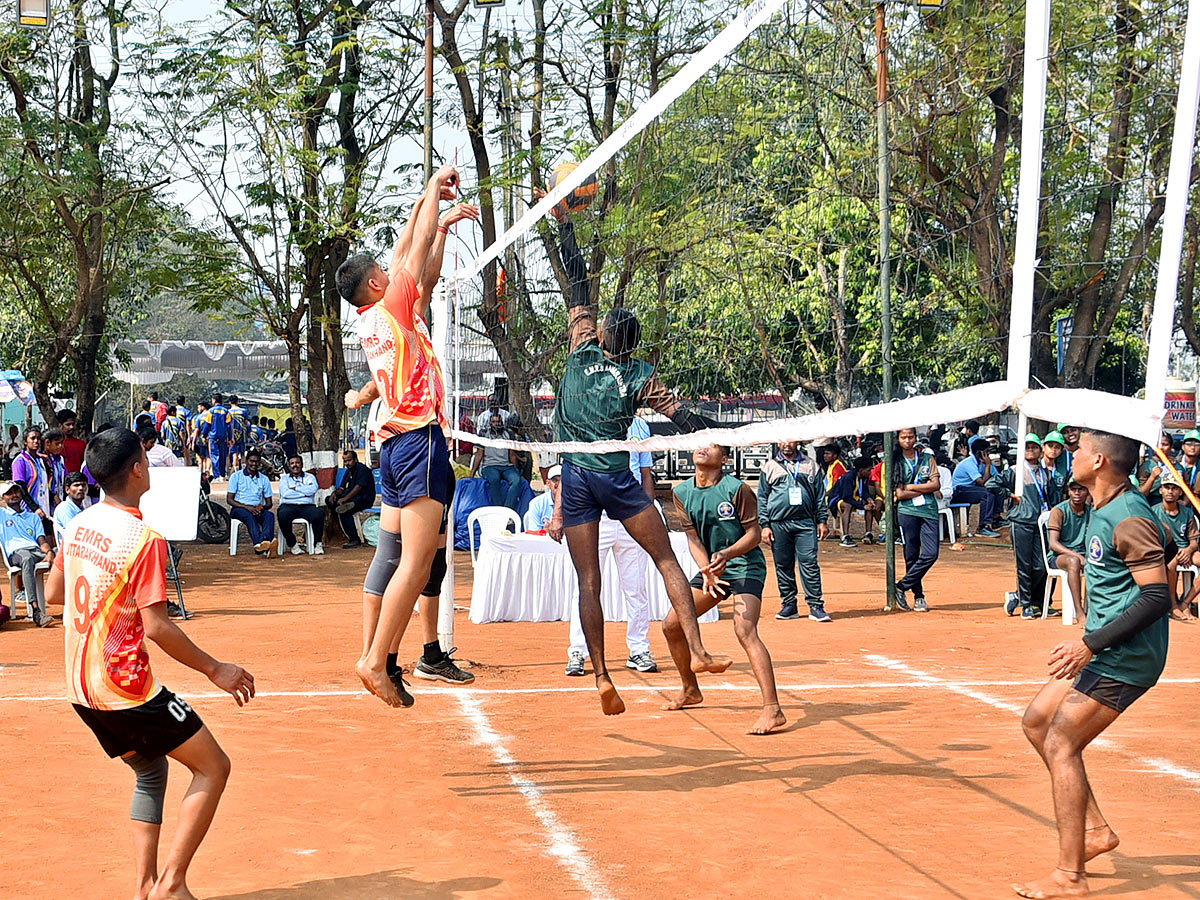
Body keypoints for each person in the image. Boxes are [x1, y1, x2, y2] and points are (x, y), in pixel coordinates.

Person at [540, 190, 729, 716]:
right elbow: (686, 418)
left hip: (578, 477)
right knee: (666, 558)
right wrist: (725, 434)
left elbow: (576, 281)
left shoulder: (581, 348)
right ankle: (698, 651)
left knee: (588, 580)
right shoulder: (640, 374)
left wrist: (564, 224)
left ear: (603, 334)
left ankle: (601, 674)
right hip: (620, 480)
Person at [46, 426, 255, 900]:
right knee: (214, 767)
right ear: (138, 469)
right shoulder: (143, 538)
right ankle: (171, 885)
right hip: (125, 689)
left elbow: (56, 593)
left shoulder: (77, 524)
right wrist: (215, 669)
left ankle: (144, 887)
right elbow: (157, 626)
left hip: (82, 688)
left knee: (150, 770)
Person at [1014, 428, 1171, 900]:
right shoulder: (1104, 508)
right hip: (1104, 646)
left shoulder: (1127, 516)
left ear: (1099, 461)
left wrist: (1090, 643)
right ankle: (1098, 831)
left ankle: (1071, 876)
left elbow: (1158, 595)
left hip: (1128, 656)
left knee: (1062, 741)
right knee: (1038, 722)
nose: (1072, 456)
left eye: (1080, 450)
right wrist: (1090, 639)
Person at [339, 163, 470, 707]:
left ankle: (386, 659)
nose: (394, 272)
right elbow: (407, 253)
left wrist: (436, 219)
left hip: (395, 442)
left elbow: (417, 263)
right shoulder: (391, 303)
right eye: (385, 272)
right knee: (418, 563)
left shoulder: (377, 316)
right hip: (417, 440)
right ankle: (376, 659)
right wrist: (430, 191)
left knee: (398, 556)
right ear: (376, 284)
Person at [665, 443, 784, 735]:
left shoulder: (737, 489)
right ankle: (690, 689)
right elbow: (693, 539)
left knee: (744, 630)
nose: (703, 448)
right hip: (714, 569)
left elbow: (754, 535)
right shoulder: (681, 492)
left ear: (725, 458)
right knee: (671, 625)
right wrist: (707, 570)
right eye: (701, 443)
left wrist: (726, 555)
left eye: (713, 445)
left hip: (745, 565)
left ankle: (773, 709)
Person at [565, 416, 661, 677]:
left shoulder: (641, 425)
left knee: (636, 588)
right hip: (595, 518)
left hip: (630, 515)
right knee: (586, 587)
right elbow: (571, 471)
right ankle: (578, 651)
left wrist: (648, 509)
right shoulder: (587, 418)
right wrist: (559, 514)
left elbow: (645, 473)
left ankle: (639, 649)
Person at [757, 440, 829, 621]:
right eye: (782, 440)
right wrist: (764, 525)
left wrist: (822, 521)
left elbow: (820, 495)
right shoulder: (769, 467)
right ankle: (789, 605)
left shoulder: (811, 465)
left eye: (790, 439)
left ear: (798, 441)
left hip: (805, 523)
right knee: (783, 564)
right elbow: (762, 497)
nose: (786, 444)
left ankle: (816, 606)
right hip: (778, 524)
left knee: (809, 563)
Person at [997, 434, 1064, 619]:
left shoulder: (1045, 473)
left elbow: (1051, 497)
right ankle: (1026, 605)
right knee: (1024, 565)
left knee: (1042, 566)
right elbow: (992, 484)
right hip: (1021, 521)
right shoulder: (1015, 471)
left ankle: (1024, 597)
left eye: (1034, 447)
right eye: (1027, 447)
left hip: (1041, 522)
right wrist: (1010, 495)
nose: (1031, 450)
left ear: (1040, 449)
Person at [892, 427, 942, 613]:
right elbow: (900, 493)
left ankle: (901, 586)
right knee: (911, 554)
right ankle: (919, 596)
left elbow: (936, 484)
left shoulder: (927, 459)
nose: (907, 440)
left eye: (910, 437)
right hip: (907, 512)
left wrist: (912, 486)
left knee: (931, 553)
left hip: (928, 511)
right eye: (903, 437)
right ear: (898, 439)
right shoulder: (895, 461)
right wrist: (925, 487)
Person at [0, 480, 54, 626]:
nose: (14, 495)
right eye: (9, 493)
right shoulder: (2, 515)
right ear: (2, 498)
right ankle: (36, 610)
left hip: (36, 551)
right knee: (27, 558)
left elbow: (41, 541)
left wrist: (49, 552)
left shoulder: (33, 517)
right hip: (16, 554)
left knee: (62, 555)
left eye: (16, 491)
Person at [1150, 471, 1197, 621]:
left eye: (1174, 488)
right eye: (1167, 487)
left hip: (1186, 550)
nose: (1170, 491)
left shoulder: (1187, 513)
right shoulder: (1153, 512)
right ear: (1161, 490)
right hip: (1165, 551)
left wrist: (1188, 550)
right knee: (1171, 563)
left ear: (1180, 491)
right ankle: (1173, 604)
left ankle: (1186, 602)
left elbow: (1194, 540)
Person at [1046, 479, 1092, 624]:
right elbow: (1053, 543)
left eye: (1081, 489)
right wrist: (1077, 555)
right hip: (1059, 557)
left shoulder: (1092, 512)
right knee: (1074, 562)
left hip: (1084, 555)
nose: (1077, 493)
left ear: (1088, 491)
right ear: (1069, 491)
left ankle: (1092, 611)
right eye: (1073, 489)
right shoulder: (1059, 511)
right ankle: (1078, 611)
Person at [470, 412, 522, 510]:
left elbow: (512, 454)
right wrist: (472, 473)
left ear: (502, 423)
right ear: (490, 423)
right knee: (494, 479)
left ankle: (507, 509)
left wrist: (516, 470)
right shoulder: (484, 433)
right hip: (490, 466)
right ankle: (498, 508)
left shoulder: (509, 433)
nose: (496, 424)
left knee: (516, 480)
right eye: (494, 422)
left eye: (498, 421)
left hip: (506, 466)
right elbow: (479, 454)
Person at [227, 449, 276, 555]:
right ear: (247, 461)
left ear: (260, 463)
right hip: (239, 509)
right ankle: (259, 544)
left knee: (269, 516)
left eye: (257, 461)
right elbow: (230, 499)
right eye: (251, 461)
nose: (254, 464)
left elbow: (269, 503)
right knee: (249, 517)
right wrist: (247, 508)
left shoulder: (264, 479)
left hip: (257, 509)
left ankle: (264, 542)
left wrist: (261, 508)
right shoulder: (236, 476)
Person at [951, 436, 1001, 538]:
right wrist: (988, 465)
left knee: (997, 489)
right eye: (986, 452)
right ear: (979, 453)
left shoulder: (980, 463)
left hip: (970, 488)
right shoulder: (969, 463)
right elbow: (982, 482)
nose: (988, 455)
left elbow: (993, 477)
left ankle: (996, 518)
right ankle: (982, 527)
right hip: (959, 491)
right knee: (987, 495)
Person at [325, 449, 376, 548]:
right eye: (345, 461)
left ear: (355, 459)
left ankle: (354, 539)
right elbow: (342, 488)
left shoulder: (362, 469)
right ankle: (344, 505)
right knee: (329, 500)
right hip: (349, 497)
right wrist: (335, 494)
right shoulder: (348, 472)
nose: (347, 463)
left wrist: (345, 499)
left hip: (364, 498)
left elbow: (358, 487)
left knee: (344, 511)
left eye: (349, 460)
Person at [277, 455, 325, 555]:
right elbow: (285, 494)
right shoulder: (284, 479)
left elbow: (312, 490)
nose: (295, 465)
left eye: (297, 463)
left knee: (318, 515)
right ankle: (293, 544)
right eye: (292, 463)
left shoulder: (310, 477)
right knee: (282, 516)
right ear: (289, 466)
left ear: (302, 464)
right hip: (288, 506)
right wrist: (304, 491)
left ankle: (317, 544)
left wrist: (294, 489)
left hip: (307, 506)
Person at [828, 456, 879, 548]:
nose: (870, 472)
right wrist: (862, 507)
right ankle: (845, 536)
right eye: (868, 470)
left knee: (870, 506)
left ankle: (868, 533)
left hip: (854, 498)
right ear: (861, 470)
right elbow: (847, 497)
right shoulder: (849, 477)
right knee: (848, 506)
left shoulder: (864, 477)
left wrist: (869, 499)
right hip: (838, 498)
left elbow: (865, 492)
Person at [12, 426, 50, 517]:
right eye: (32, 438)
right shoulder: (20, 461)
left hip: (44, 508)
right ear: (25, 441)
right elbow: (21, 488)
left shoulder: (41, 460)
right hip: (28, 510)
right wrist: (35, 508)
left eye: (38, 438)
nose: (36, 441)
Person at [195, 395, 233, 479]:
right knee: (223, 456)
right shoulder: (226, 412)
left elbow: (207, 424)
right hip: (223, 437)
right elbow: (229, 426)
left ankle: (217, 475)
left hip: (213, 437)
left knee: (215, 456)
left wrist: (204, 435)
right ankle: (222, 475)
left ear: (214, 400)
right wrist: (230, 438)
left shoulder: (210, 411)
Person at [1137, 431, 1177, 507]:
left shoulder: (1176, 466)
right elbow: (1142, 493)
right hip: (1151, 505)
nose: (1161, 447)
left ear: (1171, 447)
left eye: (1165, 444)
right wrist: (1152, 477)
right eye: (1159, 444)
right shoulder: (1146, 466)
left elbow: (1187, 488)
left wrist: (1184, 501)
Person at [53, 472, 92, 544]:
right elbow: (75, 534)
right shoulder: (64, 508)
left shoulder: (82, 508)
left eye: (83, 485)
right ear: (67, 489)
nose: (81, 488)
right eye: (76, 485)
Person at [819, 443, 848, 538]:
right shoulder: (831, 465)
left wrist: (825, 494)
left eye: (828, 454)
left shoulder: (837, 467)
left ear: (835, 455)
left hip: (838, 495)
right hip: (832, 494)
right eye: (824, 454)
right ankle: (833, 530)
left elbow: (837, 486)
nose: (825, 456)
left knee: (817, 506)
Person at [526, 465, 561, 530]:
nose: (559, 484)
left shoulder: (574, 502)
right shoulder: (536, 504)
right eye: (555, 480)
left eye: (562, 481)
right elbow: (534, 534)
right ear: (548, 483)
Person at [57, 409, 87, 476]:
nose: (71, 427)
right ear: (60, 425)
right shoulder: (54, 445)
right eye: (68, 424)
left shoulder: (81, 444)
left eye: (73, 424)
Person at [43, 427, 66, 508]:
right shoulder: (41, 460)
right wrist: (54, 496)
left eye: (62, 443)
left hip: (60, 499)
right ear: (47, 443)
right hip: (46, 501)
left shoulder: (60, 459)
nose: (60, 446)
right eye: (57, 443)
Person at [227, 396, 249, 470]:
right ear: (237, 402)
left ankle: (236, 471)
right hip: (242, 435)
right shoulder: (243, 411)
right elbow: (246, 423)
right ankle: (243, 470)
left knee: (234, 454)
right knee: (243, 453)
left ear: (230, 402)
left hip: (232, 435)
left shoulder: (228, 412)